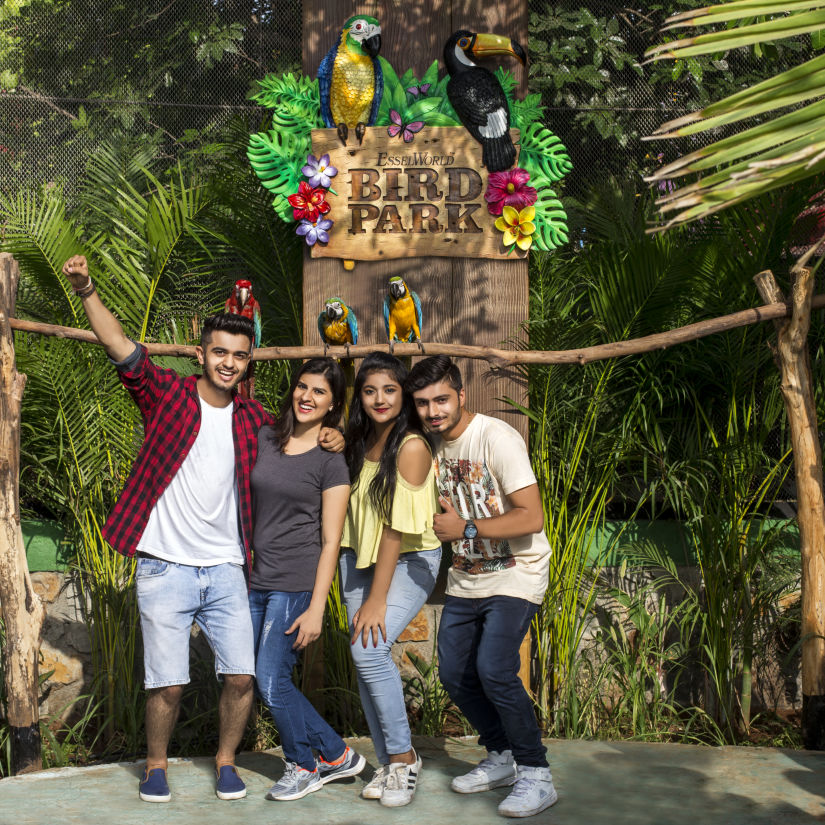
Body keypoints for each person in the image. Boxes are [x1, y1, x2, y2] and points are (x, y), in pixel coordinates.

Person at [59, 255, 337, 804]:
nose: (228, 363)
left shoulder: (255, 419)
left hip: (228, 569)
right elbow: (120, 345)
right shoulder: (167, 394)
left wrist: (333, 437)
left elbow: (302, 432)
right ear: (200, 354)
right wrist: (88, 288)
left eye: (238, 355)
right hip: (164, 566)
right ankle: (155, 766)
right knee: (168, 683)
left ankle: (227, 761)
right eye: (219, 352)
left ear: (247, 361)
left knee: (241, 678)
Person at [406, 355, 557, 819]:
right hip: (468, 577)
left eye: (442, 400)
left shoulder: (496, 438)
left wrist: (466, 530)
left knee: (494, 668)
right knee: (454, 674)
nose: (434, 411)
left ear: (461, 395)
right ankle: (502, 755)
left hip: (517, 571)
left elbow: (531, 517)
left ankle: (536, 773)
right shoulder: (429, 446)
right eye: (424, 403)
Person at [248, 358, 366, 801]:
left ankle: (304, 764)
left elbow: (331, 540)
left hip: (296, 582)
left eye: (319, 392)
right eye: (302, 387)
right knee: (262, 677)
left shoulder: (332, 460)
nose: (307, 397)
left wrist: (317, 606)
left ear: (333, 405)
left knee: (272, 679)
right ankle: (336, 754)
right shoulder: (266, 438)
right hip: (257, 578)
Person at [339, 352, 441, 808]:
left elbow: (394, 531)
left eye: (390, 390)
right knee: (365, 656)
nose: (380, 399)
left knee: (368, 646)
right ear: (359, 397)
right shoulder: (359, 438)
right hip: (357, 558)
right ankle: (387, 761)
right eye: (369, 390)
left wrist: (377, 599)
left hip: (407, 561)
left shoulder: (411, 447)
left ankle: (404, 758)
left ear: (403, 393)